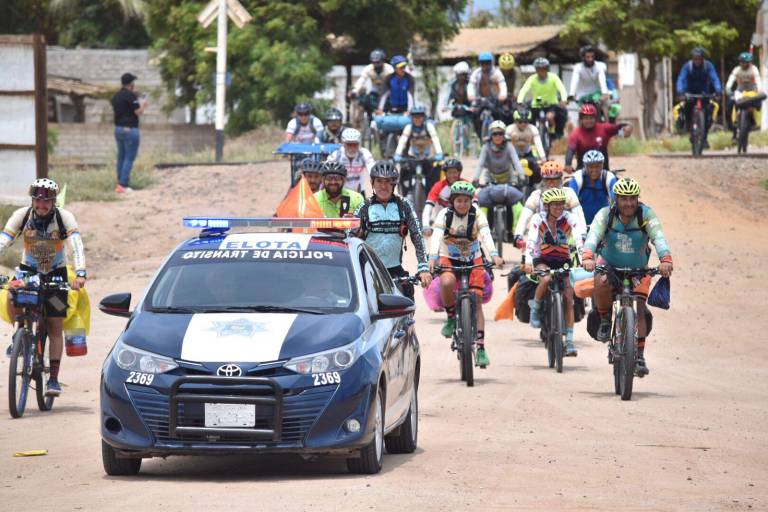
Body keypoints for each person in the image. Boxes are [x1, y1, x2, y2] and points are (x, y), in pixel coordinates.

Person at [0, 179, 87, 396]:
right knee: (12, 297)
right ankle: (19, 336)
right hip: (28, 271)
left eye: (46, 201)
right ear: (33, 200)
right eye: (38, 200)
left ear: (53, 201)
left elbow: (75, 244)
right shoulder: (22, 215)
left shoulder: (64, 218)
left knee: (55, 323)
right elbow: (4, 240)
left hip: (56, 275)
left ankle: (54, 380)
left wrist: (81, 272)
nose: (42, 205)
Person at [582, 177, 673, 376]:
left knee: (640, 308)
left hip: (638, 269)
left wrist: (665, 258)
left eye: (633, 198)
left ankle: (639, 357)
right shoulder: (605, 214)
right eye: (624, 199)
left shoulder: (646, 214)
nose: (629, 203)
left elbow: (658, 237)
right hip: (609, 265)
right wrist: (588, 256)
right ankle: (606, 320)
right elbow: (593, 236)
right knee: (600, 280)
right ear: (616, 199)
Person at [428, 181, 503, 367]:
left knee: (477, 301)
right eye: (459, 200)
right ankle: (452, 317)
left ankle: (481, 348)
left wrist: (494, 254)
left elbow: (485, 234)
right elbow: (437, 236)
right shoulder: (444, 215)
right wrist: (432, 257)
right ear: (452, 201)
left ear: (471, 201)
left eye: (466, 201)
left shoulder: (477, 214)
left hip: (473, 258)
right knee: (446, 282)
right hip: (448, 257)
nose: (462, 204)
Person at [355, 161, 432, 300]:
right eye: (379, 181)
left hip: (395, 270)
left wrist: (423, 266)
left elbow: (417, 235)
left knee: (407, 309)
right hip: (368, 270)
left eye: (388, 182)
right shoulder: (363, 208)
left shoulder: (404, 206)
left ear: (394, 184)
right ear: (372, 183)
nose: (383, 186)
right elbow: (350, 238)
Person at [524, 188, 585, 356]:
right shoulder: (538, 219)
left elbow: (579, 239)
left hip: (563, 260)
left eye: (561, 204)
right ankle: (535, 309)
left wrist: (583, 258)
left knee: (568, 295)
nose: (559, 207)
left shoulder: (570, 218)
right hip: (541, 259)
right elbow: (531, 241)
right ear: (547, 206)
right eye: (555, 205)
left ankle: (570, 341)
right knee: (545, 280)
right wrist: (528, 262)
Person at [513, 161, 584, 249]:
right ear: (542, 181)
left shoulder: (569, 193)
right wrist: (518, 234)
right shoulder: (536, 195)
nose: (551, 184)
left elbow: (578, 214)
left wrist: (583, 233)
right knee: (527, 258)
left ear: (561, 180)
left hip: (566, 240)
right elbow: (525, 216)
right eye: (548, 180)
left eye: (555, 180)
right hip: (541, 242)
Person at [473, 121, 526, 239]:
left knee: (510, 203)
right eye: (495, 134)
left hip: (508, 177)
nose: (498, 137)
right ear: (491, 135)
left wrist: (521, 177)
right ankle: (490, 231)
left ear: (504, 135)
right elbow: (480, 164)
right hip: (490, 177)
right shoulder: (486, 147)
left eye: (500, 134)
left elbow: (516, 162)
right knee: (488, 203)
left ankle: (510, 231)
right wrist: (475, 179)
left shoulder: (509, 146)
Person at [675, 47, 722, 149]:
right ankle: (689, 129)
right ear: (692, 58)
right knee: (686, 110)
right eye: (695, 58)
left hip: (704, 93)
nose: (697, 61)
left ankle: (704, 138)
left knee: (708, 113)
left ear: (702, 58)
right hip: (689, 94)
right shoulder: (687, 66)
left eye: (699, 58)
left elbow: (715, 78)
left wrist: (718, 90)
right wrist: (680, 91)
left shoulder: (708, 66)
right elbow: (681, 79)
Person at [565, 103, 633, 172]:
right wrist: (568, 164)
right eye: (586, 118)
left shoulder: (604, 128)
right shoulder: (576, 133)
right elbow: (571, 150)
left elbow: (621, 128)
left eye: (591, 118)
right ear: (581, 119)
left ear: (595, 118)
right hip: (582, 172)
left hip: (603, 172)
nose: (589, 121)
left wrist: (628, 128)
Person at [394, 106, 444, 195]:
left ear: (424, 117)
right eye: (415, 117)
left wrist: (439, 153)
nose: (417, 119)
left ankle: (433, 194)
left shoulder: (429, 126)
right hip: (413, 157)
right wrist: (397, 154)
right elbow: (403, 141)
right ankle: (405, 193)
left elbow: (435, 139)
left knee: (434, 175)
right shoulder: (408, 128)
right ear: (411, 118)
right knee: (404, 172)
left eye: (420, 117)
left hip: (427, 157)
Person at [111, 72, 147, 193]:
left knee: (121, 157)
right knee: (129, 157)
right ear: (131, 83)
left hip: (118, 129)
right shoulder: (131, 96)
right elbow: (138, 112)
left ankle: (119, 184)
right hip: (130, 129)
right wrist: (142, 104)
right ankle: (123, 184)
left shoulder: (116, 96)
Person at [517, 57, 568, 138]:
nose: (541, 71)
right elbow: (524, 90)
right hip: (537, 101)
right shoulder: (532, 78)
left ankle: (553, 132)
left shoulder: (553, 77)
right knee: (528, 118)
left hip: (551, 103)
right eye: (538, 69)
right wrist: (519, 101)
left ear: (547, 69)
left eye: (543, 69)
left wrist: (564, 99)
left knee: (550, 117)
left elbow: (562, 89)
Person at [567, 150, 617, 225]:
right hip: (581, 223)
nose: (594, 170)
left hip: (603, 223)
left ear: (602, 165)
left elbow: (616, 199)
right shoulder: (578, 177)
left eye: (597, 166)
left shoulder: (608, 177)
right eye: (590, 166)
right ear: (585, 166)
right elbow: (570, 198)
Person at [422, 158, 470, 236]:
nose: (452, 175)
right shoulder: (438, 186)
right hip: (442, 222)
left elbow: (475, 204)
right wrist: (425, 225)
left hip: (462, 222)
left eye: (454, 172)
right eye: (449, 172)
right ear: (445, 173)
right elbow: (428, 206)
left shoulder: (466, 184)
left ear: (459, 172)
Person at [725, 51, 765, 141]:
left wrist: (760, 91)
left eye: (745, 62)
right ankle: (735, 128)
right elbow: (731, 79)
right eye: (741, 62)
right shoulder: (737, 70)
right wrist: (728, 88)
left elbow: (758, 80)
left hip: (752, 91)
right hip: (740, 91)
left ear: (749, 62)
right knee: (733, 103)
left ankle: (755, 122)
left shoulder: (754, 69)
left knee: (757, 103)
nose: (743, 64)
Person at [468, 52, 508, 140]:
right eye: (483, 63)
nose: (485, 65)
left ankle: (503, 136)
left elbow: (502, 84)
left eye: (487, 62)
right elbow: (471, 85)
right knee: (475, 115)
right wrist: (471, 95)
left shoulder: (497, 73)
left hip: (494, 100)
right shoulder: (476, 73)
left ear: (491, 62)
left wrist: (502, 95)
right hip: (480, 99)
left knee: (501, 114)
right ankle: (479, 136)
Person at [326, 128, 375, 194]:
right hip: (340, 191)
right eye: (349, 144)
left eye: (355, 144)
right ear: (343, 143)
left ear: (359, 143)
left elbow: (373, 170)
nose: (352, 148)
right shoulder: (337, 155)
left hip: (359, 191)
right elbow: (326, 170)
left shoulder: (364, 153)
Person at [505, 108, 545, 184]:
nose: (523, 124)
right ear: (515, 121)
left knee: (537, 169)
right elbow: (505, 145)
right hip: (514, 155)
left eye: (525, 122)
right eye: (520, 122)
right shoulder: (509, 129)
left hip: (528, 154)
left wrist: (543, 158)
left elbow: (538, 144)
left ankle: (534, 186)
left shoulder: (533, 129)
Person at [568, 45, 610, 113]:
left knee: (604, 107)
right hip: (582, 96)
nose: (590, 59)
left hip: (597, 95)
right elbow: (574, 81)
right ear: (583, 57)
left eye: (592, 57)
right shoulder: (578, 68)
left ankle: (606, 122)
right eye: (588, 57)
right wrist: (571, 94)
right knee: (579, 112)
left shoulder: (599, 66)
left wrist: (604, 93)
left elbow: (602, 81)